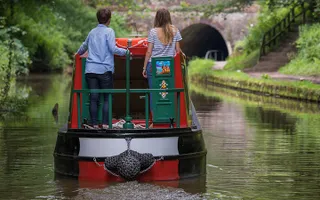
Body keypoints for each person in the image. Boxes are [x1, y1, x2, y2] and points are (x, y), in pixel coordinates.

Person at [76, 8, 127, 129]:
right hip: (104, 70)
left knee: (94, 98)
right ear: (109, 20)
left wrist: (77, 53)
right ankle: (104, 124)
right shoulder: (109, 32)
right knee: (107, 97)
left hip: (90, 70)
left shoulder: (92, 32)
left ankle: (94, 124)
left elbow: (83, 47)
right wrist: (126, 52)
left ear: (97, 19)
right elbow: (113, 49)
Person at [142, 8, 182, 114]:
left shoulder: (153, 32)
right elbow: (178, 51)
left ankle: (154, 118)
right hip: (167, 66)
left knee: (153, 92)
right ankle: (168, 115)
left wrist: (144, 68)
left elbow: (149, 52)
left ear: (157, 18)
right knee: (166, 90)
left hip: (154, 65)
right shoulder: (175, 31)